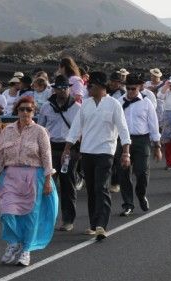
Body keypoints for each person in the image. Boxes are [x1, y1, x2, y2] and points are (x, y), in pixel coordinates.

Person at [0, 96, 58, 266]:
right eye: (22, 109)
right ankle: (14, 243)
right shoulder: (7, 131)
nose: (25, 112)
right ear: (17, 111)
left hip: (33, 175)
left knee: (30, 215)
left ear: (34, 112)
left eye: (29, 109)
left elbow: (46, 156)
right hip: (10, 175)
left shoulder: (40, 131)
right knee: (6, 212)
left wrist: (48, 180)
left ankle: (26, 249)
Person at [63, 72, 131, 240]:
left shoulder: (114, 104)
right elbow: (76, 128)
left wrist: (126, 152)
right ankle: (93, 224)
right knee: (92, 189)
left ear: (101, 86)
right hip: (87, 152)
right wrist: (67, 147)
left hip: (105, 152)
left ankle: (101, 225)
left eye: (91, 85)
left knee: (101, 187)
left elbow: (123, 129)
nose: (88, 88)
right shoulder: (85, 104)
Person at [37, 75, 82, 232]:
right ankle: (45, 219)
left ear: (69, 88)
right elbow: (40, 129)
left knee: (67, 185)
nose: (62, 91)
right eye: (59, 88)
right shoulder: (46, 107)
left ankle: (68, 219)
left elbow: (81, 131)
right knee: (47, 185)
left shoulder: (77, 108)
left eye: (65, 88)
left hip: (69, 149)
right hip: (50, 148)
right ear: (54, 89)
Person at [116, 75, 162, 216]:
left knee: (142, 171)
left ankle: (141, 194)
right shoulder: (118, 102)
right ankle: (128, 204)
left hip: (141, 140)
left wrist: (157, 146)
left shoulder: (146, 103)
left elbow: (153, 125)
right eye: (128, 88)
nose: (130, 92)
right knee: (123, 173)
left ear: (139, 87)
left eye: (133, 89)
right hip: (123, 140)